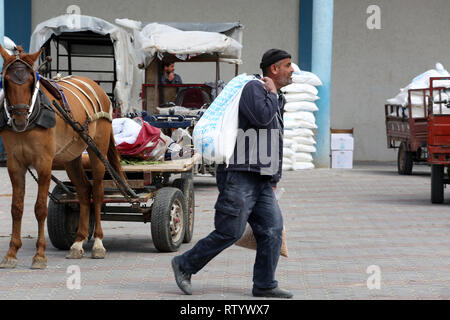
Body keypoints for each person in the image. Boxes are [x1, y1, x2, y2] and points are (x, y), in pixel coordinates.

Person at [171, 49, 294, 298]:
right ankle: (185, 264)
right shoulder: (254, 89)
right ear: (274, 69)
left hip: (262, 177)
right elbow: (261, 118)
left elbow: (274, 140)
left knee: (272, 230)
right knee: (230, 231)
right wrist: (271, 92)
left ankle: (264, 284)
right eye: (288, 65)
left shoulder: (277, 98)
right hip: (240, 173)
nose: (292, 70)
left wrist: (274, 179)